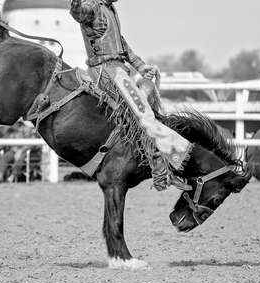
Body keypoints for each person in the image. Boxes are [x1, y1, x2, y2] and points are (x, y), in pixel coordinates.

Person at [70, 0, 192, 190]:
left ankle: (169, 162)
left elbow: (121, 44)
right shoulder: (92, 6)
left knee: (147, 100)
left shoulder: (108, 8)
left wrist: (142, 67)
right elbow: (78, 12)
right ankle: (161, 170)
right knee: (142, 111)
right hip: (106, 71)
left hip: (117, 69)